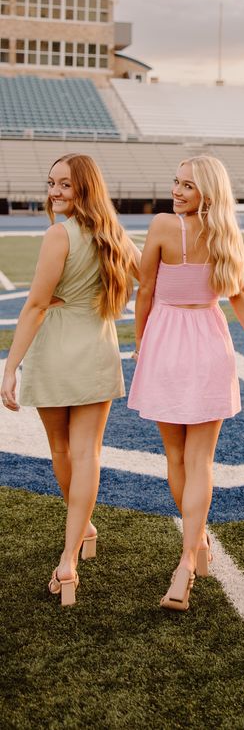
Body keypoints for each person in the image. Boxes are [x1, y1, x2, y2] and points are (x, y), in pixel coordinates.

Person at [128, 155, 244, 611]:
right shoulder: (225, 233)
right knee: (200, 460)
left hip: (167, 341)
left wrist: (139, 341)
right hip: (210, 341)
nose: (178, 190)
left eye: (188, 185)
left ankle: (189, 556)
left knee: (179, 457)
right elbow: (240, 294)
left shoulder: (163, 228)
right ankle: (195, 548)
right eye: (176, 182)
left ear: (207, 190)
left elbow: (145, 289)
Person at [1, 154, 139, 606]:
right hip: (97, 349)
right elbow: (152, 281)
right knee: (87, 453)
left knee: (63, 451)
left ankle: (69, 558)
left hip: (56, 350)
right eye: (51, 183)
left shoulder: (58, 235)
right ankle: (79, 540)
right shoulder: (115, 235)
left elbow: (36, 306)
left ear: (85, 188)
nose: (55, 192)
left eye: (65, 184)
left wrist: (9, 366)